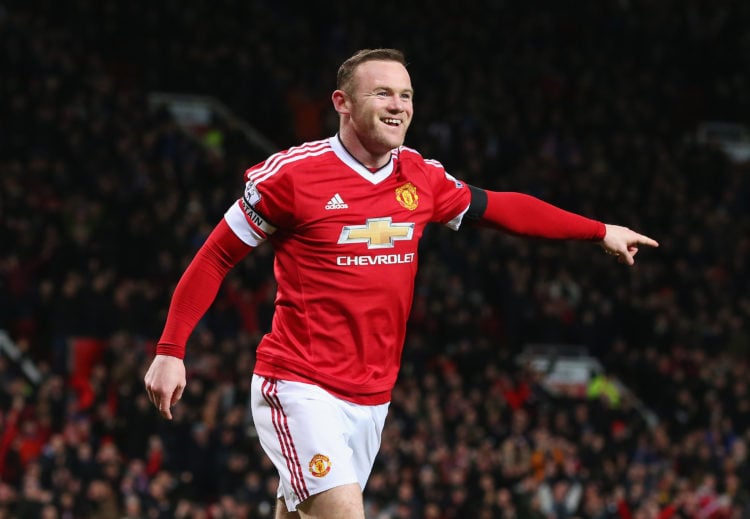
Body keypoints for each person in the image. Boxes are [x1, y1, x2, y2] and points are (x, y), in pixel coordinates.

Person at [144, 48, 659, 518]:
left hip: (371, 397)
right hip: (300, 385)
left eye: (407, 95)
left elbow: (500, 207)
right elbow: (214, 257)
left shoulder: (421, 177)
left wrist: (599, 231)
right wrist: (171, 349)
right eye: (383, 93)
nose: (399, 105)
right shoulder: (293, 177)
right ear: (342, 103)